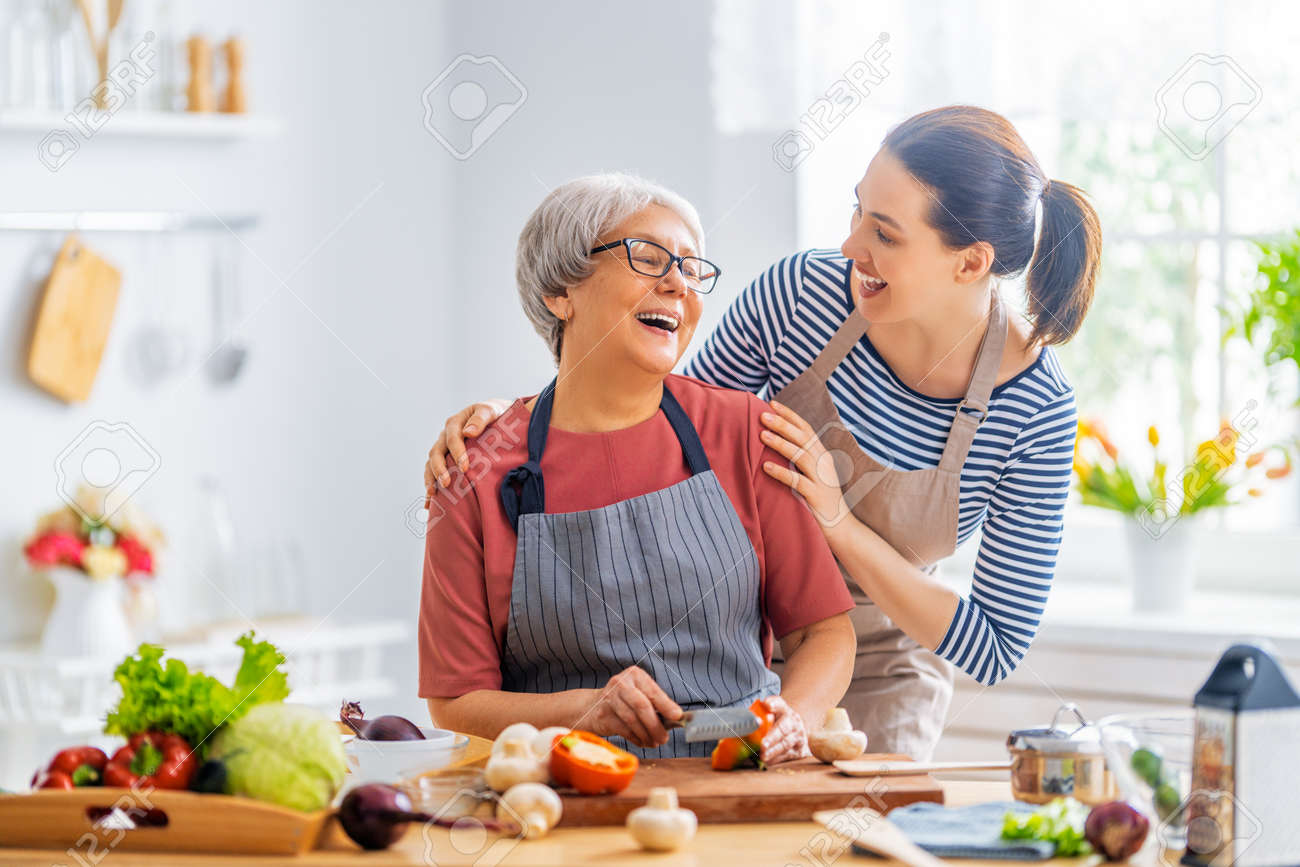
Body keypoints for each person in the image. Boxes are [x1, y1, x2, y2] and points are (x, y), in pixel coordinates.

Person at [424, 106, 1101, 761]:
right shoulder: (804, 296)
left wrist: (837, 521)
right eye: (857, 209)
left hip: (879, 657)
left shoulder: (1036, 410)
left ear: (970, 262)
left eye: (886, 234)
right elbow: (654, 408)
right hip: (736, 626)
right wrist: (514, 420)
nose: (850, 245)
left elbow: (995, 644)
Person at [419, 173, 856, 761]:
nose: (678, 283)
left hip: (743, 783)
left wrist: (793, 721)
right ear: (560, 291)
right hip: (568, 798)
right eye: (648, 258)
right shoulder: (474, 470)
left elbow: (822, 633)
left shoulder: (748, 431)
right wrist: (582, 711)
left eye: (691, 268)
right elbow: (458, 699)